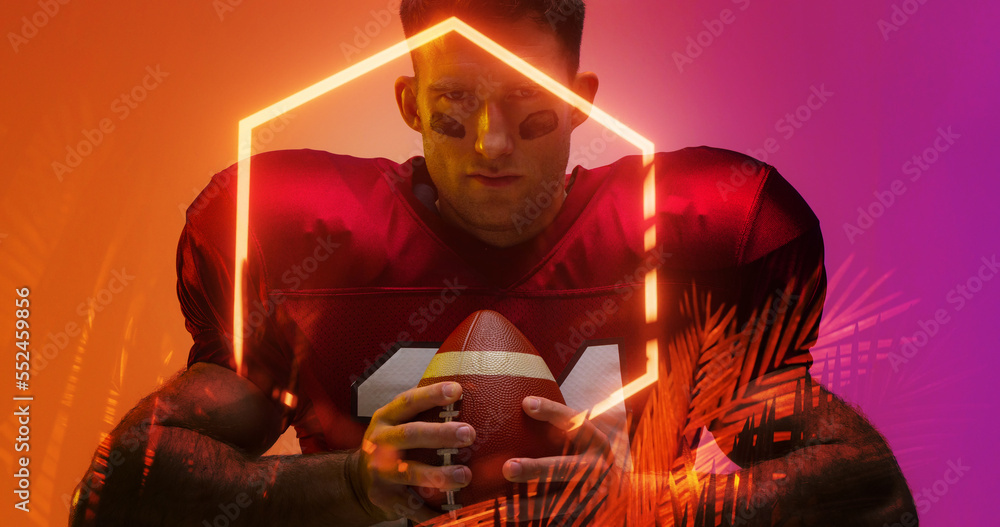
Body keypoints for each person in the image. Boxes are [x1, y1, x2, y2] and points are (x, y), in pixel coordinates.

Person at [70, 1, 917, 525]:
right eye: (454, 108)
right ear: (408, 102)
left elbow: (867, 494)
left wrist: (656, 507)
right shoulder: (306, 243)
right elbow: (121, 487)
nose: (492, 146)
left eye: (529, 111)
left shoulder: (689, 241)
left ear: (582, 99)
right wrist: (358, 486)